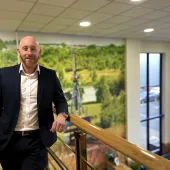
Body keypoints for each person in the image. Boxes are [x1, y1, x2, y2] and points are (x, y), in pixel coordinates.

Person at [0, 36, 69, 170]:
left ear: (39, 52)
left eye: (33, 49)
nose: (29, 53)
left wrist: (62, 115)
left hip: (37, 141)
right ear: (18, 51)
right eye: (25, 49)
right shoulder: (4, 74)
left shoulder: (50, 76)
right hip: (9, 140)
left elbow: (61, 101)